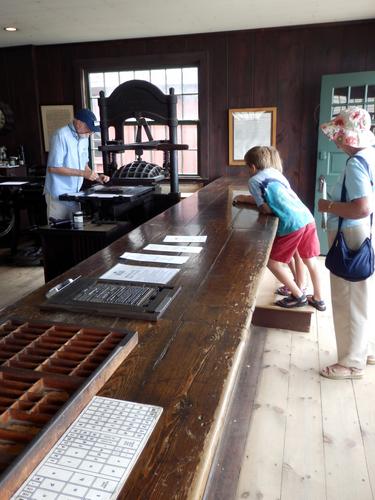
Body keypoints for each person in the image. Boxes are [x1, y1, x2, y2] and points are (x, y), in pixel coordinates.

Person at [318, 106, 375, 380]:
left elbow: (361, 207)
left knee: (348, 299)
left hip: (351, 235)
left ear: (346, 137)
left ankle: (352, 364)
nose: (336, 140)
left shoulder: (355, 164)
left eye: (338, 135)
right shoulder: (371, 155)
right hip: (366, 232)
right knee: (363, 296)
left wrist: (327, 205)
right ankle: (365, 350)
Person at [233, 145, 325, 311]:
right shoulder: (276, 174)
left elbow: (264, 208)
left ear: (252, 167)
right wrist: (248, 199)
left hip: (291, 223)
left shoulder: (254, 180)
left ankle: (299, 295)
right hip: (306, 217)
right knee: (309, 259)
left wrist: (249, 201)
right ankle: (318, 298)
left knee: (272, 263)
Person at [44, 108, 109, 220]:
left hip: (74, 195)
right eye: (89, 129)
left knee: (75, 230)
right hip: (58, 195)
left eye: (92, 131)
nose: (90, 133)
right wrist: (83, 174)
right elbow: (53, 168)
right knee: (58, 232)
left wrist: (97, 177)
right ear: (78, 123)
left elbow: (84, 166)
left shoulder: (84, 137)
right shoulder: (60, 135)